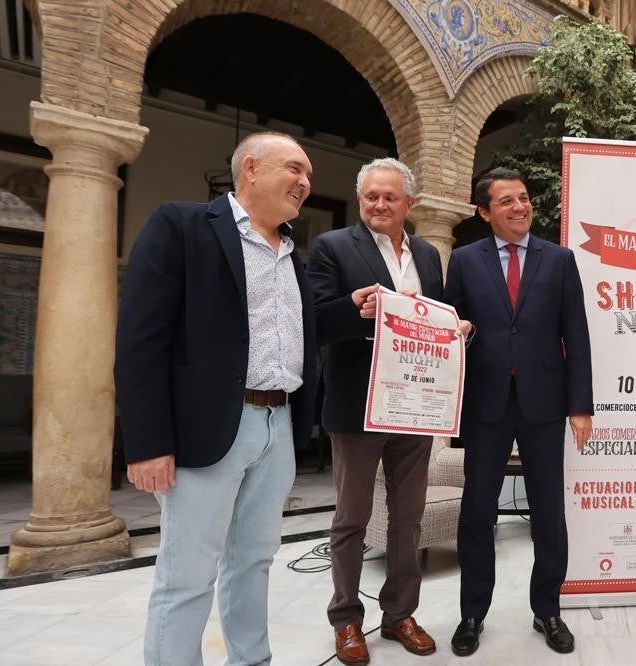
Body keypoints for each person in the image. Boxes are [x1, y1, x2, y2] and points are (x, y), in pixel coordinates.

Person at [115, 131, 317, 666]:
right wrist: (147, 442)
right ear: (250, 168)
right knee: (188, 574)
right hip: (209, 428)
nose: (305, 182)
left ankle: (252, 660)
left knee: (253, 561)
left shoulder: (294, 252)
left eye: (310, 176)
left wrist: (361, 308)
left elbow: (302, 328)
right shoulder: (181, 226)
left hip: (278, 425)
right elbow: (141, 341)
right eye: (295, 169)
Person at [308, 158, 455, 663]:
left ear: (409, 204)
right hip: (357, 405)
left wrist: (460, 330)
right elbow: (315, 321)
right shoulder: (332, 247)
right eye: (370, 195)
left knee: (408, 518)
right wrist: (354, 307)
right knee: (352, 518)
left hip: (415, 406)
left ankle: (399, 615)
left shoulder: (430, 255)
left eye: (390, 197)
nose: (379, 204)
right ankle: (347, 620)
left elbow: (438, 318)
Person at [442, 167, 593, 657]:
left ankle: (547, 608)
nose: (519, 207)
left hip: (544, 403)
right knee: (476, 511)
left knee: (549, 511)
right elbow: (453, 325)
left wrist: (580, 406)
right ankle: (471, 613)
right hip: (484, 403)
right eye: (506, 201)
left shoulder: (560, 259)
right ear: (485, 212)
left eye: (524, 198)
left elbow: (577, 335)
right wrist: (458, 331)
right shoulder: (464, 260)